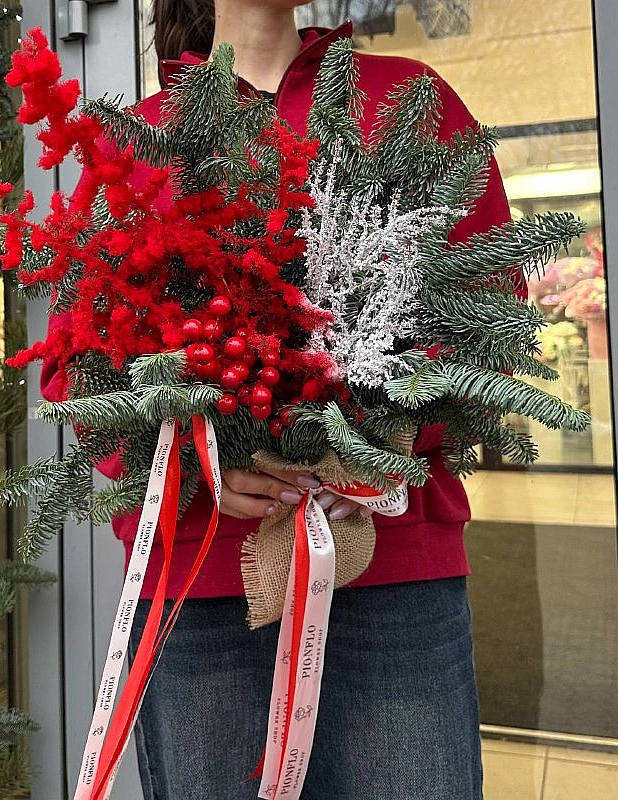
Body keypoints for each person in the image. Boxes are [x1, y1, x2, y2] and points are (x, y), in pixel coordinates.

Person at [41, 1, 514, 798]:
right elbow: (74, 371)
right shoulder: (137, 142)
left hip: (391, 567)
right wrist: (195, 459)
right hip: (199, 579)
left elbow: (489, 313)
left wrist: (379, 435)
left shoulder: (406, 100)